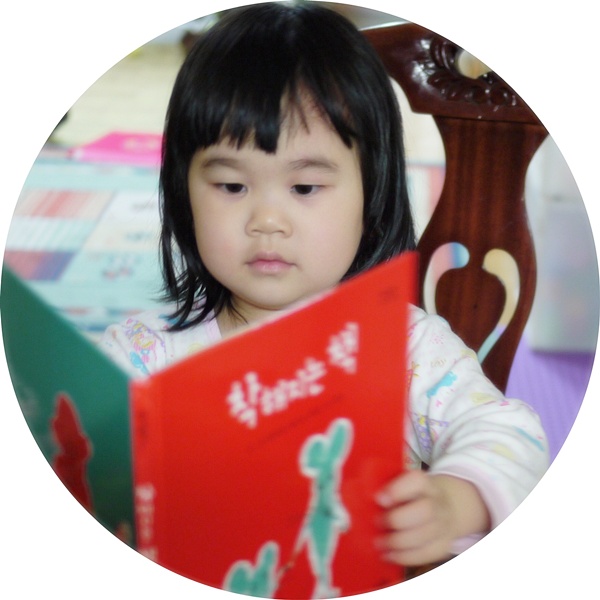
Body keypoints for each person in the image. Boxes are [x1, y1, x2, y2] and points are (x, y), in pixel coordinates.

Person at [100, 1, 548, 572]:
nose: (267, 221)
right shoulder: (141, 360)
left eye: (305, 188)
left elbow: (512, 434)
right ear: (183, 194)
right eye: (232, 186)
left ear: (371, 194)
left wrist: (455, 500)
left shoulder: (409, 352)